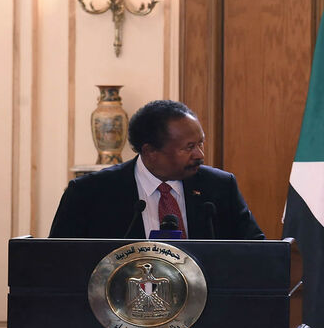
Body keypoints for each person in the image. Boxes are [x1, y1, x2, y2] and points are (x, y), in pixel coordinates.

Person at [49, 99, 264, 240]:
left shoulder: (219, 187)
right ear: (150, 151)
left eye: (201, 144)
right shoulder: (89, 193)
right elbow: (59, 261)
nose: (200, 155)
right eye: (189, 147)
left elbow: (256, 251)